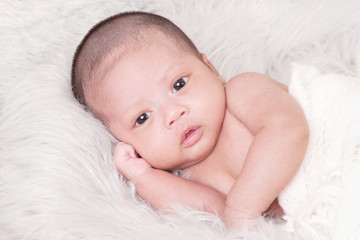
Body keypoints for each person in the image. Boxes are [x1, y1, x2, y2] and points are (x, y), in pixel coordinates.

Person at [71, 11, 309, 228]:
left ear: (211, 68)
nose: (173, 114)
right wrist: (143, 177)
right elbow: (214, 214)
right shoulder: (188, 177)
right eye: (142, 118)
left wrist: (242, 208)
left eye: (178, 84)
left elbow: (288, 130)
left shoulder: (242, 92)